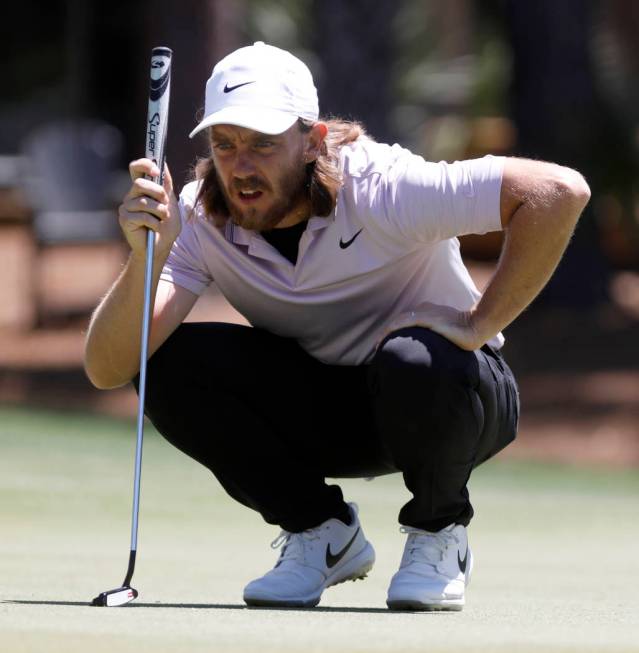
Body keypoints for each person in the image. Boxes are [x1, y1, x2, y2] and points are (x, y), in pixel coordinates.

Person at [84, 42, 590, 611]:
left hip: (455, 396)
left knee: (412, 359)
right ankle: (321, 534)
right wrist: (148, 253)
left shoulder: (383, 186)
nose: (241, 165)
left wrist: (479, 323)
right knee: (163, 362)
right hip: (333, 411)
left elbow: (558, 192)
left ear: (313, 141)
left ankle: (438, 532)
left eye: (264, 144)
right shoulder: (197, 217)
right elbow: (110, 366)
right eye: (225, 144)